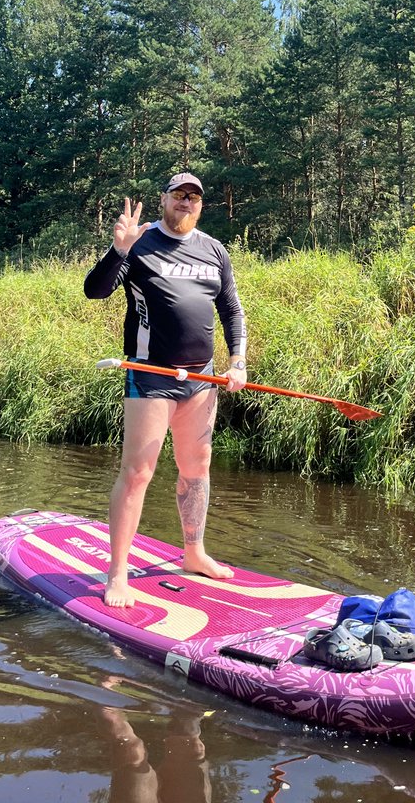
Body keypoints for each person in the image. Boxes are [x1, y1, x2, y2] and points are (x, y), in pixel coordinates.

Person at [84, 172, 247, 606]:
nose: (186, 203)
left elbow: (231, 308)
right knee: (138, 473)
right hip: (151, 374)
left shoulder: (214, 250)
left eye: (193, 197)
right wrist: (118, 251)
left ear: (201, 205)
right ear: (165, 200)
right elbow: (95, 291)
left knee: (197, 468)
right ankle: (117, 574)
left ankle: (194, 553)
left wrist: (238, 362)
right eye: (179, 196)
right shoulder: (140, 243)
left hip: (202, 378)